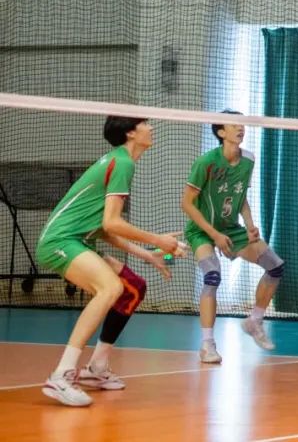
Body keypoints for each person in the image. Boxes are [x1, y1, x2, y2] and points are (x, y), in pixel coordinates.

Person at [35, 116, 183, 407]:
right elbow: (112, 223)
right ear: (131, 133)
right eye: (145, 123)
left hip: (80, 240)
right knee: (111, 288)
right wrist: (159, 240)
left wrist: (147, 254)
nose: (151, 127)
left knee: (133, 287)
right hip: (59, 242)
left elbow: (104, 228)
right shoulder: (123, 163)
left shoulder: (119, 161)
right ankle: (62, 374)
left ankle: (97, 368)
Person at [183, 111, 283, 363]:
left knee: (275, 266)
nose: (240, 128)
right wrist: (214, 234)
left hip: (230, 228)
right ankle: (207, 345)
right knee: (212, 276)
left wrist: (249, 225)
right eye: (234, 125)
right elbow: (186, 203)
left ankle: (255, 321)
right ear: (221, 132)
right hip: (202, 230)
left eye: (242, 124)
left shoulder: (248, 159)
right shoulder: (206, 162)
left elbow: (240, 197)